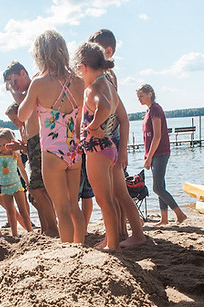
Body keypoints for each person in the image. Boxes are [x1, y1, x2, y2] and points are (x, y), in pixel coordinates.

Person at [74, 42, 146, 251]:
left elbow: (103, 107)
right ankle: (111, 240)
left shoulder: (92, 89)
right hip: (110, 149)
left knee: (104, 200)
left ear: (83, 67)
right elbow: (118, 113)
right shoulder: (108, 85)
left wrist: (91, 126)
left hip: (96, 150)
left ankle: (113, 245)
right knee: (113, 198)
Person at [18, 30, 86, 244]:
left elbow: (22, 115)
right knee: (74, 206)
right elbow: (79, 119)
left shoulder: (38, 83)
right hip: (74, 150)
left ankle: (68, 252)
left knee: (61, 209)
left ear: (40, 55)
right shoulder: (79, 82)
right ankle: (81, 246)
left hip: (52, 152)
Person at [89, 29, 145, 240]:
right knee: (114, 192)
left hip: (109, 140)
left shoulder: (106, 77)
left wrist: (93, 128)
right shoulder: (106, 76)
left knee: (114, 193)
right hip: (111, 140)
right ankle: (120, 231)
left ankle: (123, 232)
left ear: (108, 51)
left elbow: (116, 114)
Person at [3, 62, 59, 237]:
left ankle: (53, 228)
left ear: (23, 73)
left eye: (14, 81)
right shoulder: (29, 92)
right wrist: (21, 147)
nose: (14, 87)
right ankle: (47, 228)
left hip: (41, 141)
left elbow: (20, 103)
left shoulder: (34, 84)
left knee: (37, 189)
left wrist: (11, 89)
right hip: (36, 142)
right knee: (37, 192)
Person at [136, 83, 188, 225]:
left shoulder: (156, 110)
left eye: (141, 96)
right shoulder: (148, 111)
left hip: (160, 152)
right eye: (138, 97)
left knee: (157, 188)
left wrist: (150, 157)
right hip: (153, 153)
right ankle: (164, 219)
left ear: (150, 93)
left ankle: (179, 214)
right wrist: (146, 155)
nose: (139, 99)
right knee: (161, 186)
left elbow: (157, 136)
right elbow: (148, 136)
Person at [0, 128, 33, 237]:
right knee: (10, 213)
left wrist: (28, 183)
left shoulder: (15, 155)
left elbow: (22, 170)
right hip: (4, 188)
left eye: (4, 144)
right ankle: (14, 235)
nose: (2, 147)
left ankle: (30, 232)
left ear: (10, 142)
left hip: (17, 186)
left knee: (23, 211)